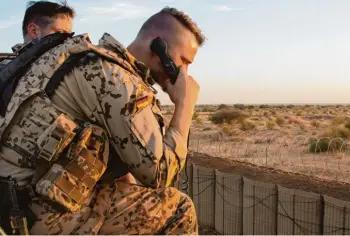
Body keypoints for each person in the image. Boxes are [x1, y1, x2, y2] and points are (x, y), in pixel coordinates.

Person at [0, 5, 203, 235]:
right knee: (179, 208)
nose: (184, 72)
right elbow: (159, 174)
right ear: (159, 47)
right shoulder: (117, 81)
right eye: (183, 60)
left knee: (124, 184)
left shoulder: (84, 60)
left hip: (14, 201)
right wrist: (185, 105)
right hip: (39, 215)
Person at [0, 0, 75, 69]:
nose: (68, 40)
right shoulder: (6, 69)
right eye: (61, 33)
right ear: (34, 31)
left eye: (69, 35)